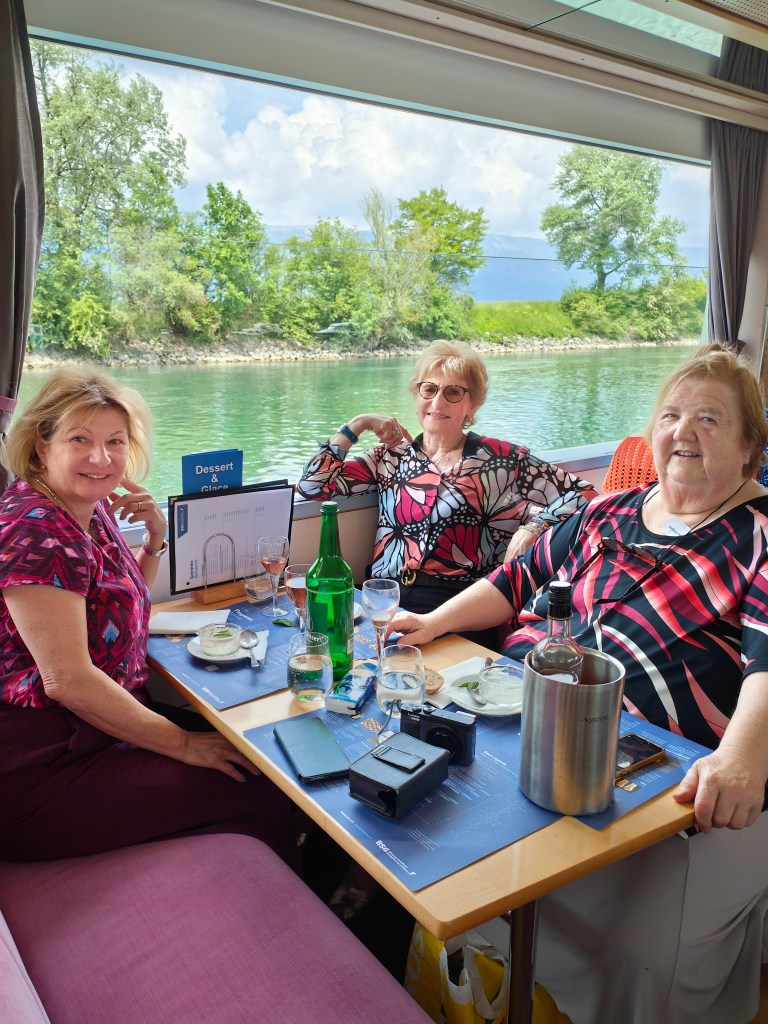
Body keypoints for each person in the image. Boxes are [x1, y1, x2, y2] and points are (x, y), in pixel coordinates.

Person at [391, 343, 768, 1023]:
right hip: (531, 728)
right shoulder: (609, 512)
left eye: (710, 419)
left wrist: (743, 758)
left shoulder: (759, 536)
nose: (683, 431)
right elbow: (515, 579)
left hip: (659, 776)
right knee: (437, 854)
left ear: (749, 450)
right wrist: (432, 622)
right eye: (671, 415)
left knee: (621, 942)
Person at [0, 370, 296, 865]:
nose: (101, 458)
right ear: (41, 445)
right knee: (261, 785)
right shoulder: (35, 531)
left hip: (101, 727)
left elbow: (116, 603)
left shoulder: (85, 508)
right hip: (46, 766)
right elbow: (68, 681)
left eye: (114, 441)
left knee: (266, 747)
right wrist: (183, 745)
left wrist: (155, 540)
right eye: (80, 439)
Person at [297, 341, 597, 621]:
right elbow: (312, 486)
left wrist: (534, 527)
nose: (438, 401)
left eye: (453, 392)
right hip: (381, 596)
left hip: (456, 606)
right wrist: (357, 424)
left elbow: (584, 494)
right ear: (417, 396)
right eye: (429, 389)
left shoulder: (503, 459)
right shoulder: (389, 456)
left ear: (471, 405)